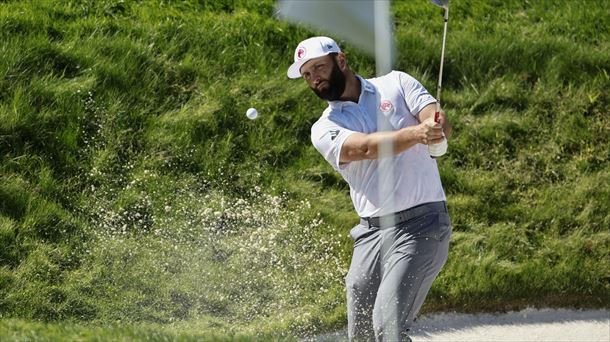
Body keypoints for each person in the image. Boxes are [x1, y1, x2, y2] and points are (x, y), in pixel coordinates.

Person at [287, 36, 453, 341]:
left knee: (386, 326)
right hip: (371, 235)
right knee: (362, 334)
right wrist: (417, 133)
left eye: (319, 68)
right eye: (307, 75)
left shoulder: (396, 83)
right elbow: (363, 149)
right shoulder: (325, 127)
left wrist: (434, 129)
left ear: (341, 60)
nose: (314, 79)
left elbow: (433, 117)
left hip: (422, 225)